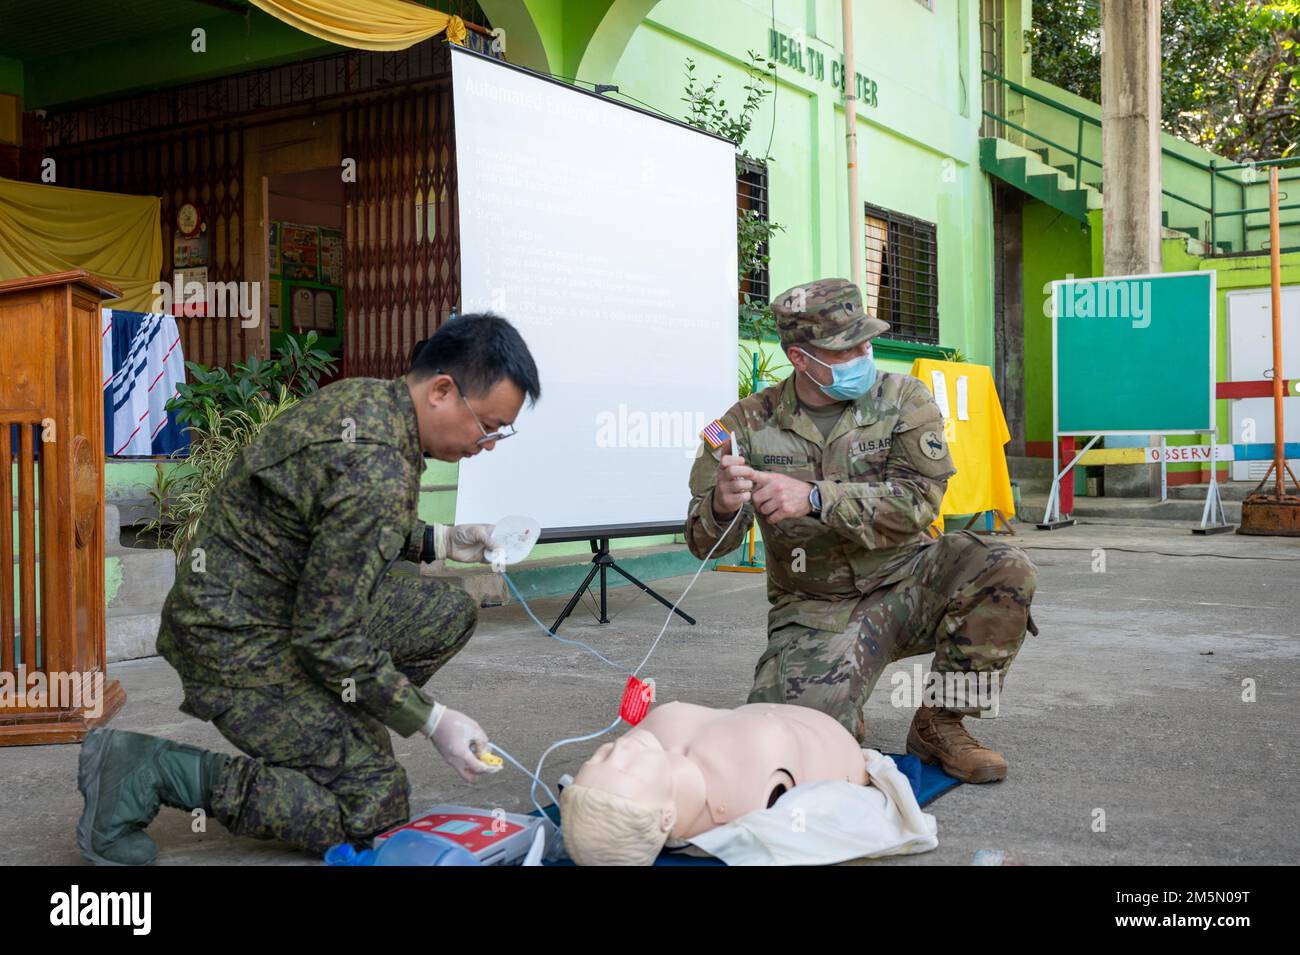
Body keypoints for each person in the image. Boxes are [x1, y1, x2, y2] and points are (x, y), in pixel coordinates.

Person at [77, 314, 540, 865]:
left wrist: (440, 540)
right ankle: (147, 768)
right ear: (443, 390)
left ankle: (330, 726)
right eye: (487, 426)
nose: (487, 444)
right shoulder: (379, 463)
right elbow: (328, 638)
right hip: (232, 639)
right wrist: (431, 719)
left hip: (273, 602)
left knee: (443, 611)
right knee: (371, 811)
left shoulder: (370, 402)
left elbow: (329, 524)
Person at [684, 279, 1038, 784]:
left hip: (912, 581)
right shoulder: (742, 425)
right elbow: (705, 545)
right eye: (845, 347)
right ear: (800, 358)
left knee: (1003, 567)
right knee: (791, 756)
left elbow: (920, 502)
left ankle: (942, 721)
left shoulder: (904, 399)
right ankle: (839, 702)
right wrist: (721, 503)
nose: (863, 353)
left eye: (865, 340)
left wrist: (813, 497)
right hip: (816, 607)